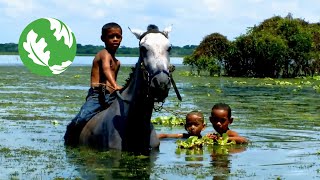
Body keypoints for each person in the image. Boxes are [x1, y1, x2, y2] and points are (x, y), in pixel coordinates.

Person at [64, 22, 123, 145]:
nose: (115, 39)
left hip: (111, 97)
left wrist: (118, 89)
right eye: (111, 36)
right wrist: (115, 85)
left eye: (118, 36)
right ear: (103, 39)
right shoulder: (103, 54)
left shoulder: (117, 62)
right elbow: (106, 70)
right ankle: (69, 136)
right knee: (81, 118)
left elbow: (112, 80)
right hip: (97, 96)